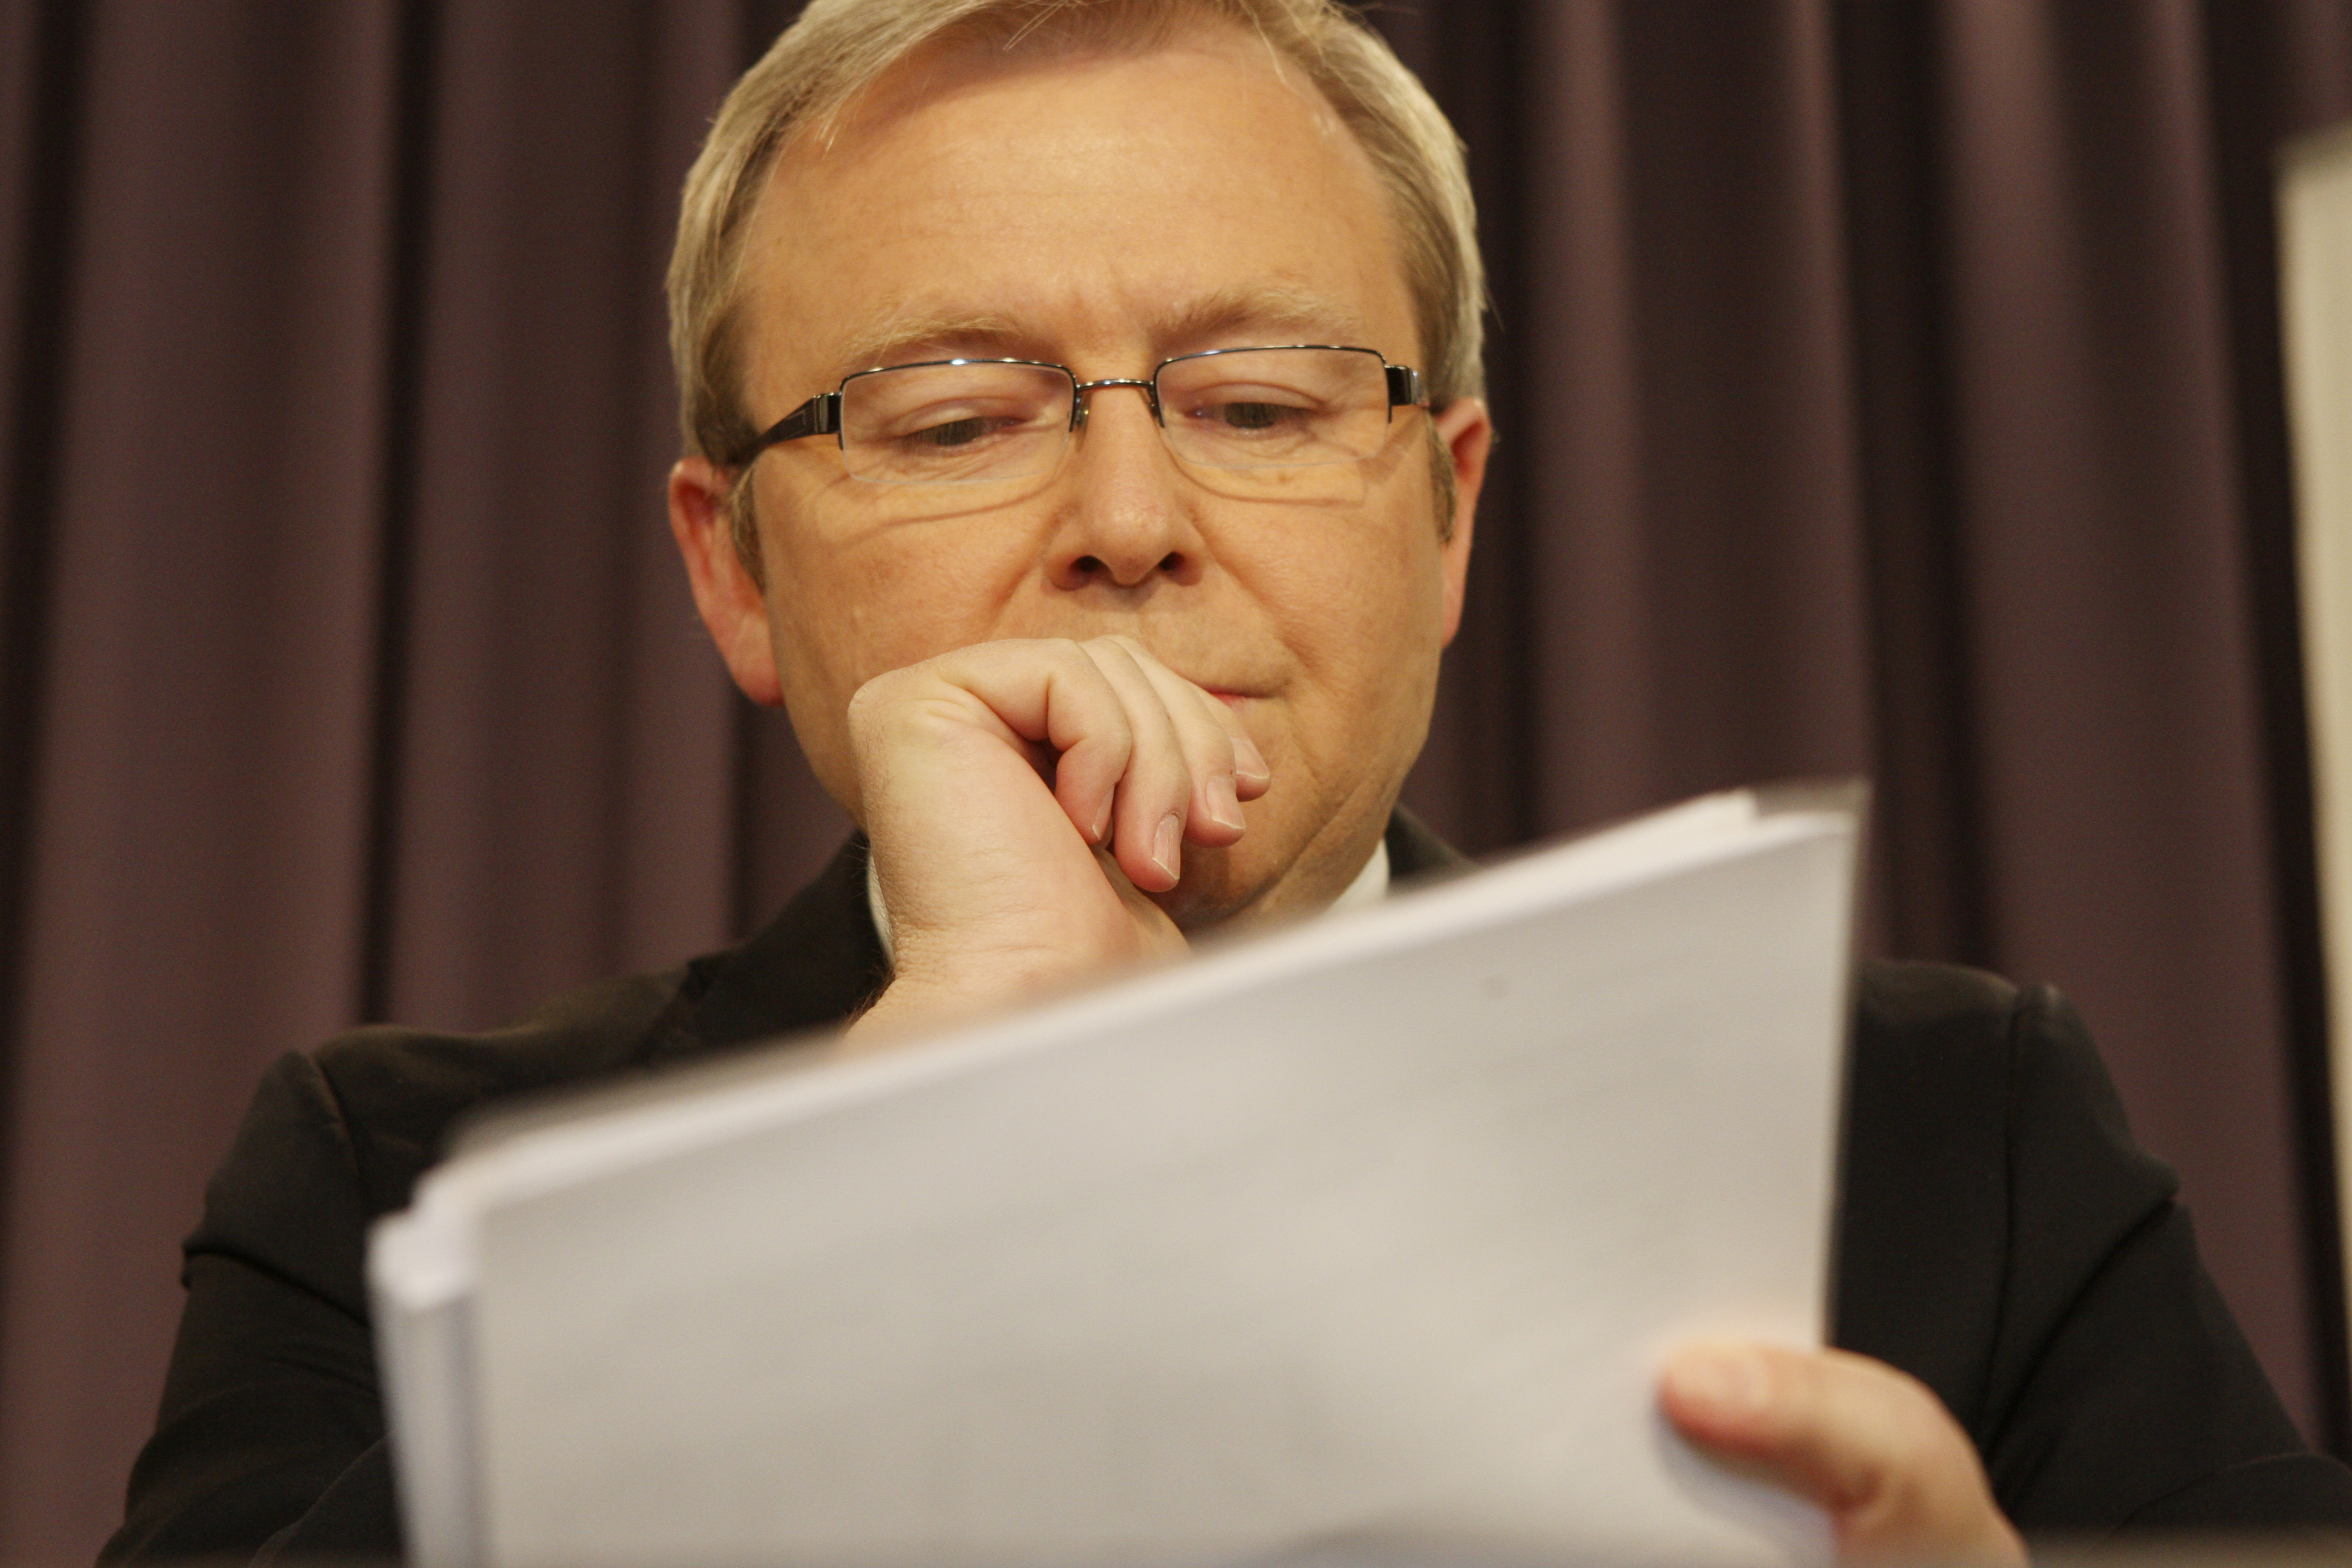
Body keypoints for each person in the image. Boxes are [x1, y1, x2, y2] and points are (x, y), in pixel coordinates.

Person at [105, 0, 2352, 1561]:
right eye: (959, 415)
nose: (1127, 513)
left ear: (1452, 511)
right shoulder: (385, 1180)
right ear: (739, 573)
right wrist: (911, 1129)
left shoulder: (1957, 1142)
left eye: (1264, 403)